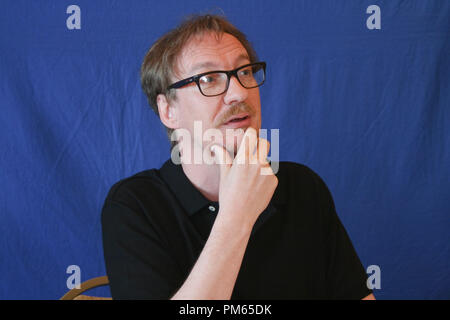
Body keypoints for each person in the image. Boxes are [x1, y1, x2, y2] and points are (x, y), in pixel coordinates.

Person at [101, 14, 375, 300]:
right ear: (168, 110)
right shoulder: (135, 206)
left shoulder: (303, 188)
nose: (238, 92)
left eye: (244, 72)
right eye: (208, 79)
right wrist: (236, 215)